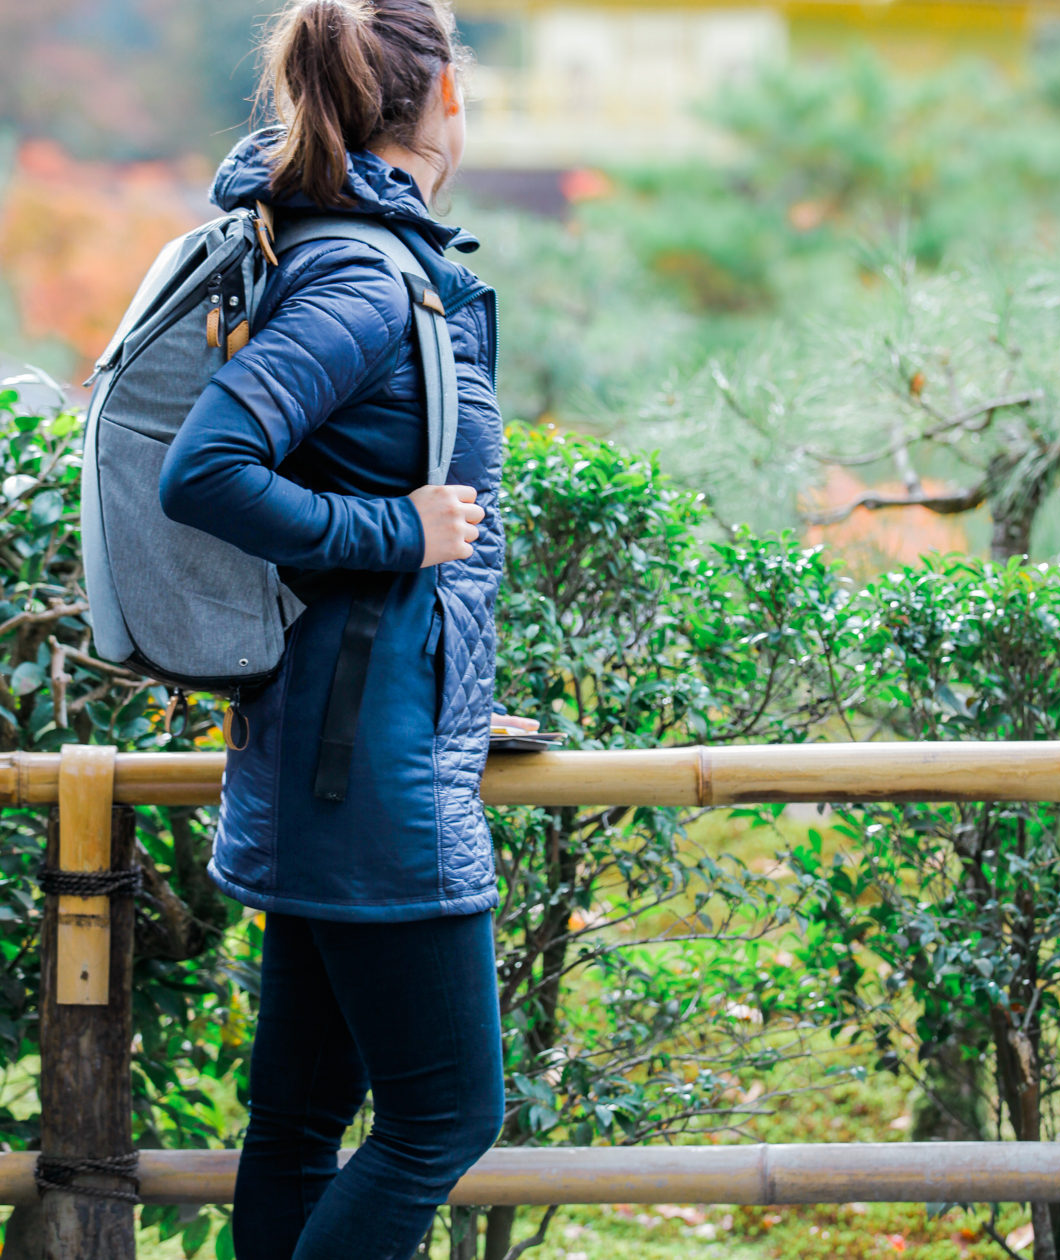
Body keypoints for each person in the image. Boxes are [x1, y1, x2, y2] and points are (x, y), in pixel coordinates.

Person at [158, 1, 536, 1255]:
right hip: (368, 771)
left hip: (344, 741)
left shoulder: (347, 253)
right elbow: (206, 470)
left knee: (301, 1118)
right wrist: (399, 532)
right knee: (444, 1118)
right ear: (443, 103)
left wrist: (457, 690)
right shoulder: (363, 273)